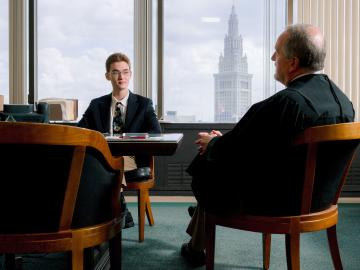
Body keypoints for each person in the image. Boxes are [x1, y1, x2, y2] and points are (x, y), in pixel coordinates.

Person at [181, 24, 355, 266]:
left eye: (277, 52)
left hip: (278, 203)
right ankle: (199, 227)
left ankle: (200, 230)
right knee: (220, 155)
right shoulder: (343, 102)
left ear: (293, 63)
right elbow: (261, 148)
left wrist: (214, 143)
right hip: (320, 200)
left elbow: (240, 152)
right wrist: (224, 143)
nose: (273, 57)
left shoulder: (287, 102)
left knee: (210, 162)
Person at [78, 52, 161, 228]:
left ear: (130, 74)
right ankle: (119, 210)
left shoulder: (144, 104)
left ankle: (102, 220)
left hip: (131, 158)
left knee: (108, 167)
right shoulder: (96, 104)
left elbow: (155, 133)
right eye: (115, 72)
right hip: (102, 157)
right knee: (87, 165)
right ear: (108, 75)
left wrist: (129, 139)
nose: (121, 77)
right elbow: (80, 130)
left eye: (125, 72)